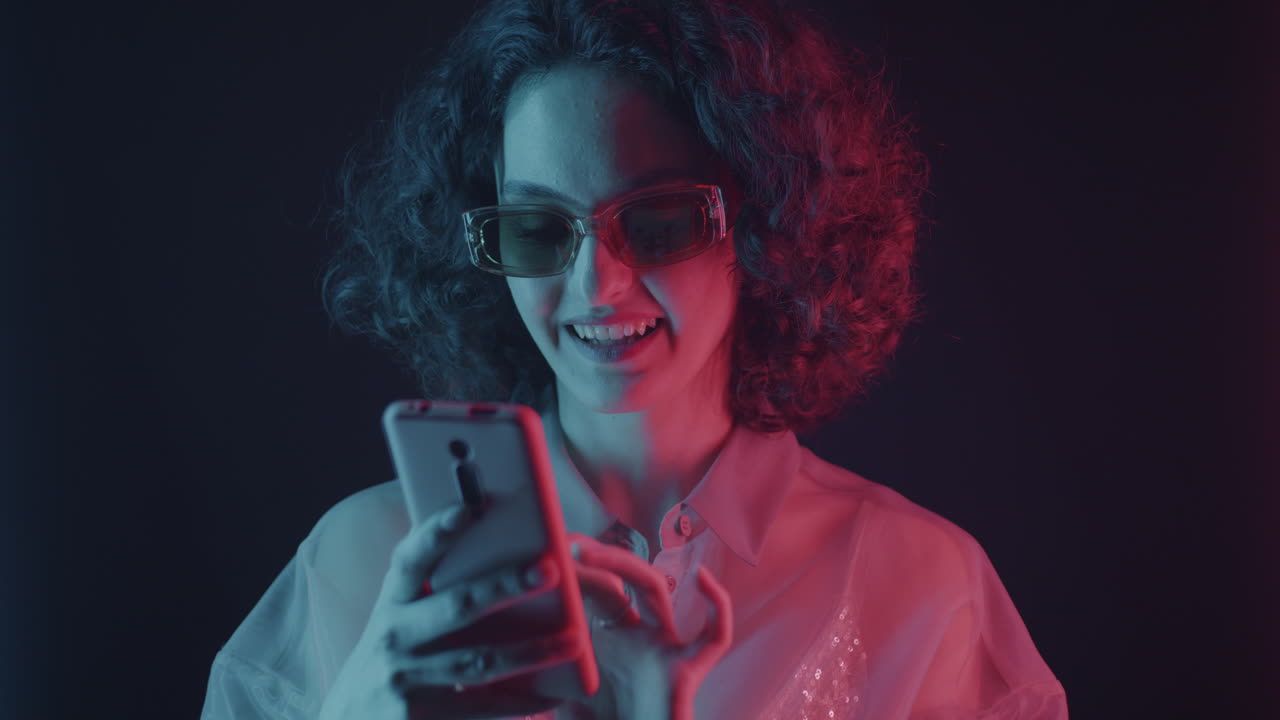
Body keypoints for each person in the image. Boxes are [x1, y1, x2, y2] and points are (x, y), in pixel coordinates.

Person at [200, 0, 1069, 718]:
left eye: (657, 220)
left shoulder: (920, 584)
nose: (595, 285)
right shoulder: (363, 561)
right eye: (539, 229)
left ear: (767, 224)